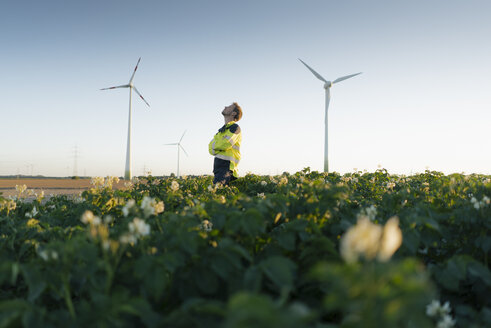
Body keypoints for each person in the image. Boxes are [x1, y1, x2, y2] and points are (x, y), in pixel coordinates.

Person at [208, 102, 243, 185]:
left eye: (229, 107)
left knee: (218, 192)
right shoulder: (221, 131)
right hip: (218, 166)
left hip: (227, 166)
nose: (225, 106)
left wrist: (217, 145)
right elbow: (210, 149)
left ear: (233, 113)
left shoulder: (235, 128)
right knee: (219, 193)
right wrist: (219, 145)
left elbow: (225, 144)